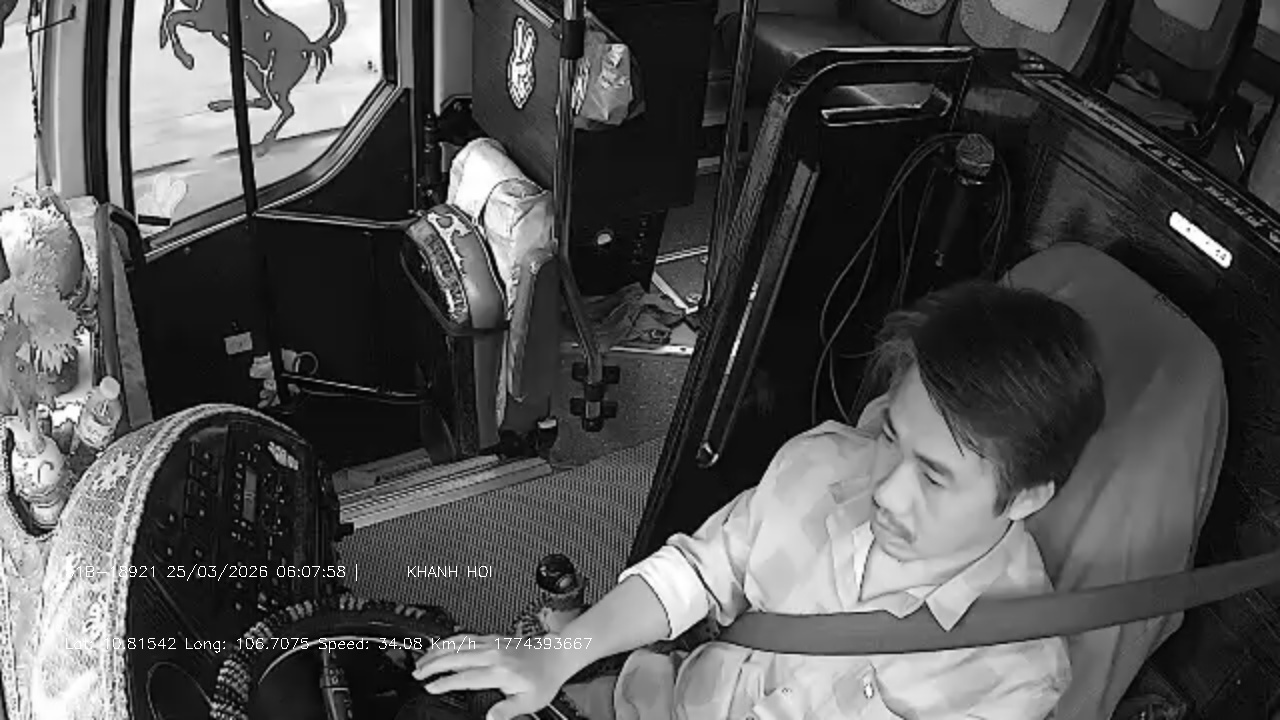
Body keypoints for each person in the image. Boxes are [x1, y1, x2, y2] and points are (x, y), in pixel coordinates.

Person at [413, 279, 1106, 720]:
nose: (887, 490)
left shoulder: (1011, 680)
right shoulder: (820, 465)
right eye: (892, 436)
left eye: (934, 476)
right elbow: (695, 573)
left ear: (1026, 496)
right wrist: (561, 655)